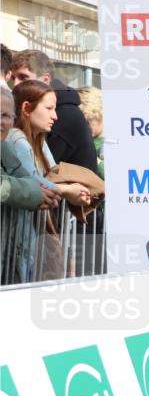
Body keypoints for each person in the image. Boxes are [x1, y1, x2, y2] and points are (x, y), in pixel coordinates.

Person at [7, 80, 91, 282]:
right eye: (49, 108)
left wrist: (69, 188)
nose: (55, 115)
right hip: (18, 241)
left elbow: (51, 175)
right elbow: (33, 182)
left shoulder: (38, 140)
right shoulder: (16, 138)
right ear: (26, 108)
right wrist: (68, 191)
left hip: (30, 239)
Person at [9, 50, 98, 174]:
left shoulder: (65, 115)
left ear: (45, 79)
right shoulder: (21, 133)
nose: (15, 84)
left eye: (24, 78)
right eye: (12, 78)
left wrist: (64, 190)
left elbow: (45, 174)